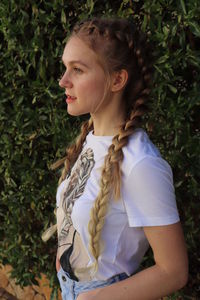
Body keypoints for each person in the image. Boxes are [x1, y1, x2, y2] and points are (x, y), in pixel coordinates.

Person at [43, 17, 188, 300]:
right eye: (65, 68)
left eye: (77, 70)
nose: (63, 81)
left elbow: (174, 271)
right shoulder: (90, 139)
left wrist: (92, 298)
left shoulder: (140, 164)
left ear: (118, 79)